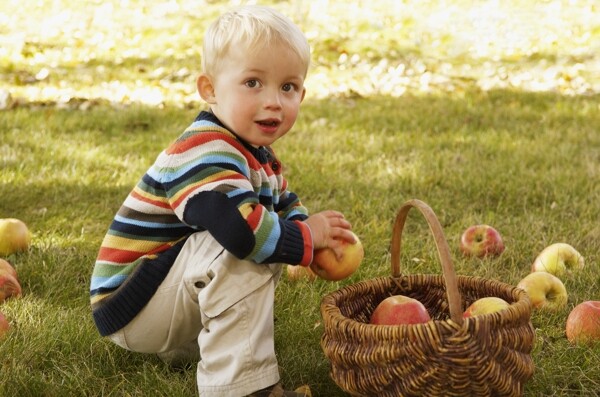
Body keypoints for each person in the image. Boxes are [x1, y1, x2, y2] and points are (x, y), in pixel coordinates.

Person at [89, 5, 355, 397]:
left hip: (168, 297)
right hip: (134, 303)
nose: (274, 101)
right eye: (253, 83)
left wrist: (310, 232)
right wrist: (304, 237)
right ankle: (244, 388)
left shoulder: (254, 153)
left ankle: (208, 346)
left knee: (270, 232)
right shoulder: (205, 149)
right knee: (241, 245)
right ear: (210, 89)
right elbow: (239, 230)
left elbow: (281, 203)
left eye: (288, 87)